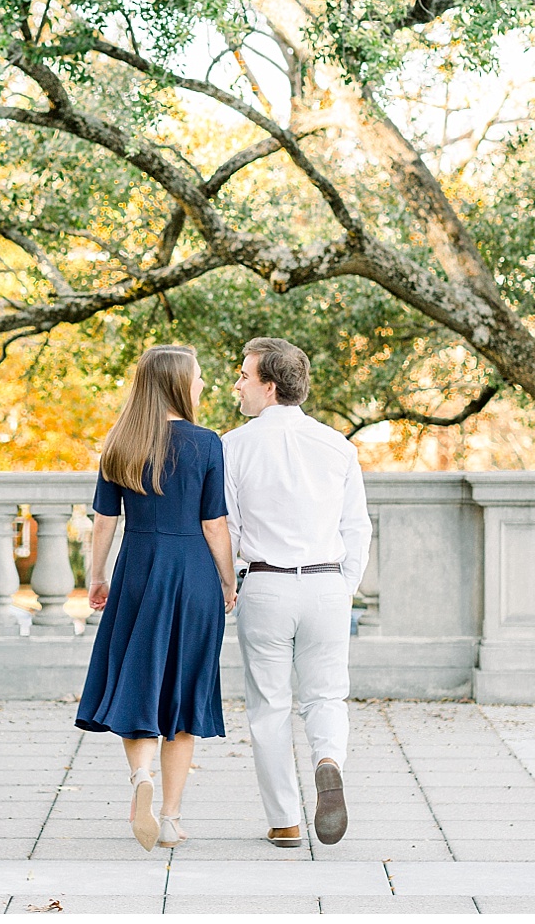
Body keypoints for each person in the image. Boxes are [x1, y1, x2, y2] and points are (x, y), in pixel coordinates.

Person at [76, 345, 237, 851]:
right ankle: (169, 818)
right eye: (198, 376)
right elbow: (214, 523)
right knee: (183, 695)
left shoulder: (120, 442)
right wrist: (227, 580)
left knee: (138, 679)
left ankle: (140, 776)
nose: (202, 384)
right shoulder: (206, 443)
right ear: (177, 383)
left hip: (138, 570)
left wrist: (97, 576)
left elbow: (104, 520)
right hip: (192, 573)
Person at [223, 337, 370, 847]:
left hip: (266, 584)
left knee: (269, 706)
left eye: (244, 376)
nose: (237, 385)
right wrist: (344, 587)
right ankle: (328, 759)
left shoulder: (232, 446)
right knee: (326, 695)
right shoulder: (337, 445)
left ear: (268, 386)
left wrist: (229, 583)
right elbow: (357, 527)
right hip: (327, 583)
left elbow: (228, 529)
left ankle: (285, 821)